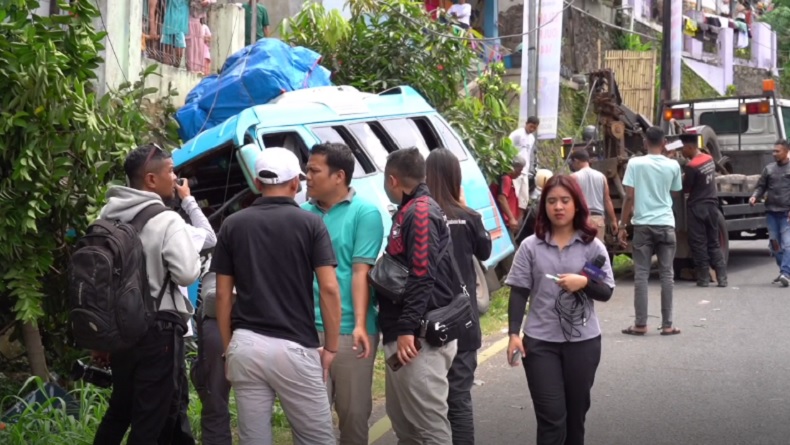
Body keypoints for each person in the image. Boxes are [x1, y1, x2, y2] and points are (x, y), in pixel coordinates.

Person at [210, 147, 342, 444]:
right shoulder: (311, 224)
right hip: (295, 345)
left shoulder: (233, 224)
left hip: (245, 344)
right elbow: (329, 288)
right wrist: (331, 347)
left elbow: (223, 295)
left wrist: (229, 348)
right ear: (295, 183)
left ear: (257, 183)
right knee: (316, 439)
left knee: (254, 439)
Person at [93, 144, 201, 445]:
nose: (176, 178)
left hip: (120, 331)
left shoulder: (106, 217)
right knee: (150, 418)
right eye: (171, 171)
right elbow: (187, 274)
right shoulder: (166, 220)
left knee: (119, 410)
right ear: (151, 179)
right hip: (158, 332)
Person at [505, 174, 614, 445]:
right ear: (544, 207)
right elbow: (519, 291)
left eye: (565, 200)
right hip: (540, 343)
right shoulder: (530, 246)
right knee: (551, 419)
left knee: (575, 420)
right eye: (551, 201)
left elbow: (606, 291)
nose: (558, 207)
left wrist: (584, 283)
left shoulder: (592, 247)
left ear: (577, 204)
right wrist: (513, 334)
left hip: (583, 343)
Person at [301, 143, 384, 445]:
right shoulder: (302, 214)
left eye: (314, 170)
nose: (307, 177)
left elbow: (361, 272)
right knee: (311, 419)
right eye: (307, 170)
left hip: (351, 330)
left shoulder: (365, 213)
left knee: (353, 415)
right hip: (307, 330)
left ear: (339, 176)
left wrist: (361, 324)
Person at [380, 147, 458, 444]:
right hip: (408, 335)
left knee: (430, 429)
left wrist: (406, 328)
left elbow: (422, 274)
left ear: (392, 179)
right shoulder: (411, 209)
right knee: (406, 427)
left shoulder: (421, 212)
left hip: (418, 339)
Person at [426, 149, 492, 445]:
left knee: (431, 404)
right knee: (459, 398)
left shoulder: (419, 216)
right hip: (462, 318)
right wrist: (466, 208)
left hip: (428, 320)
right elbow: (485, 251)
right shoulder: (467, 217)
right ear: (456, 177)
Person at [618, 126, 683, 336]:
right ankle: (668, 325)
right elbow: (674, 192)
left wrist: (622, 225)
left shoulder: (635, 163)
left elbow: (629, 196)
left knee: (641, 275)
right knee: (667, 275)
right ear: (664, 143)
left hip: (643, 225)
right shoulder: (673, 165)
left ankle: (640, 324)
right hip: (666, 224)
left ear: (645, 142)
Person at [677, 133, 727, 287]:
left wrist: (683, 177)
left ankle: (704, 278)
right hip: (712, 206)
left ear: (690, 147)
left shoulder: (691, 166)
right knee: (713, 242)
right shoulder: (709, 159)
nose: (682, 151)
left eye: (683, 148)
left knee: (698, 243)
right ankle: (722, 278)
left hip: (697, 207)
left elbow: (686, 188)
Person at [750, 139, 790, 286]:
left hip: (786, 213)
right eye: (773, 151)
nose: (774, 153)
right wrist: (754, 196)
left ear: (786, 152)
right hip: (771, 213)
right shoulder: (769, 169)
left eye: (777, 151)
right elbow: (761, 186)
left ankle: (786, 273)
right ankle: (783, 271)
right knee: (775, 246)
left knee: (787, 244)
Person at [569, 149, 618, 241]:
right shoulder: (602, 177)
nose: (572, 165)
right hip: (598, 219)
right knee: (597, 248)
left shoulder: (573, 177)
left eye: (572, 162)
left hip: (581, 218)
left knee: (580, 247)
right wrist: (613, 220)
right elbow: (607, 200)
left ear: (576, 161)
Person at [490, 155, 527, 236]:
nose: (520, 173)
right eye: (519, 170)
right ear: (513, 168)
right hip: (504, 221)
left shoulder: (505, 178)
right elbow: (501, 198)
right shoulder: (506, 178)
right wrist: (511, 218)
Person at [510, 116, 540, 212]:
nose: (532, 129)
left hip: (525, 170)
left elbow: (529, 154)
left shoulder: (531, 138)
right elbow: (507, 147)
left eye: (534, 128)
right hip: (516, 169)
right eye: (531, 126)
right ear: (526, 124)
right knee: (514, 195)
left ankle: (520, 218)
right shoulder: (517, 134)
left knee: (524, 199)